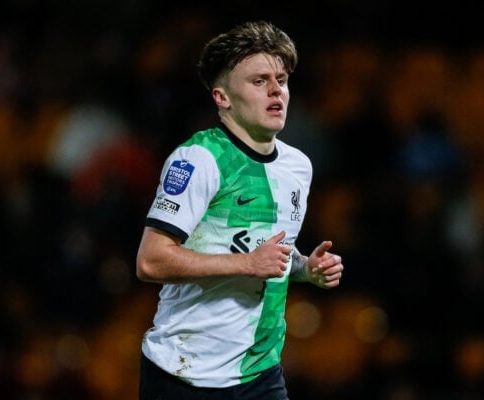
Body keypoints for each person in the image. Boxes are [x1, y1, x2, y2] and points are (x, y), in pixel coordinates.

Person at [136, 20, 344, 400]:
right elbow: (151, 262)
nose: (276, 91)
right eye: (259, 81)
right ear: (222, 98)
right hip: (184, 375)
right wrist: (247, 264)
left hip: (260, 372)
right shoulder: (199, 160)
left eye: (281, 79)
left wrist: (305, 268)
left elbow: (267, 253)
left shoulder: (298, 167)